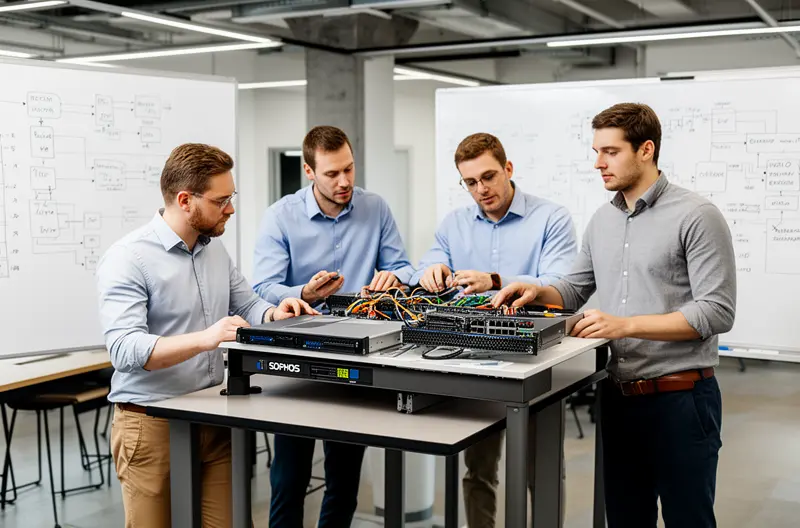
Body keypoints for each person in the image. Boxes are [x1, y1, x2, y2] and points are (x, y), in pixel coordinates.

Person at [493, 103, 736, 528]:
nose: (598, 163)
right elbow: (572, 290)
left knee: (689, 519)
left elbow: (716, 311)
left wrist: (624, 325)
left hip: (680, 400)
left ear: (646, 149)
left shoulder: (696, 216)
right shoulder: (601, 221)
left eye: (610, 151)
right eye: (596, 150)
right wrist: (536, 289)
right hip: (618, 398)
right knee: (625, 519)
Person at [96, 143, 317, 528]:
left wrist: (274, 312)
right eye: (221, 200)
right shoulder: (128, 258)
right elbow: (124, 349)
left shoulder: (215, 251)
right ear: (185, 200)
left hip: (214, 416)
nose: (230, 208)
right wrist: (207, 337)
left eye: (231, 197)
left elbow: (247, 305)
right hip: (152, 424)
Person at [253, 125, 415, 527]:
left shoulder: (375, 208)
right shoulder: (280, 216)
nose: (344, 182)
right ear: (309, 171)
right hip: (297, 359)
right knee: (289, 479)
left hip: (356, 359)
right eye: (331, 174)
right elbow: (261, 287)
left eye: (349, 169)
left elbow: (403, 268)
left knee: (344, 481)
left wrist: (394, 278)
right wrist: (303, 291)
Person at [413, 132, 578, 527]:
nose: (481, 189)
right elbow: (425, 268)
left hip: (539, 362)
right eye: (470, 182)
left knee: (541, 469)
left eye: (488, 177)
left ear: (508, 169)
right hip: (477, 363)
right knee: (479, 469)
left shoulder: (551, 218)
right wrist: (430, 273)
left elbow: (562, 284)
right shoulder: (454, 225)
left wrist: (497, 280)